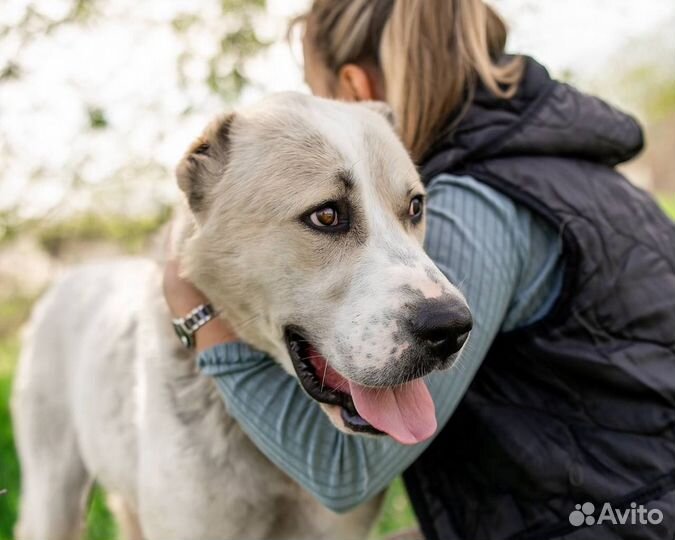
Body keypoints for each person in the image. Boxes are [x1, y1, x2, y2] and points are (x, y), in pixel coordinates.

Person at [163, 1, 675, 538]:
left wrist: (196, 316)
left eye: (414, 211)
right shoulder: (550, 158)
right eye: (329, 216)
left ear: (356, 89)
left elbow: (344, 475)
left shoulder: (480, 201)